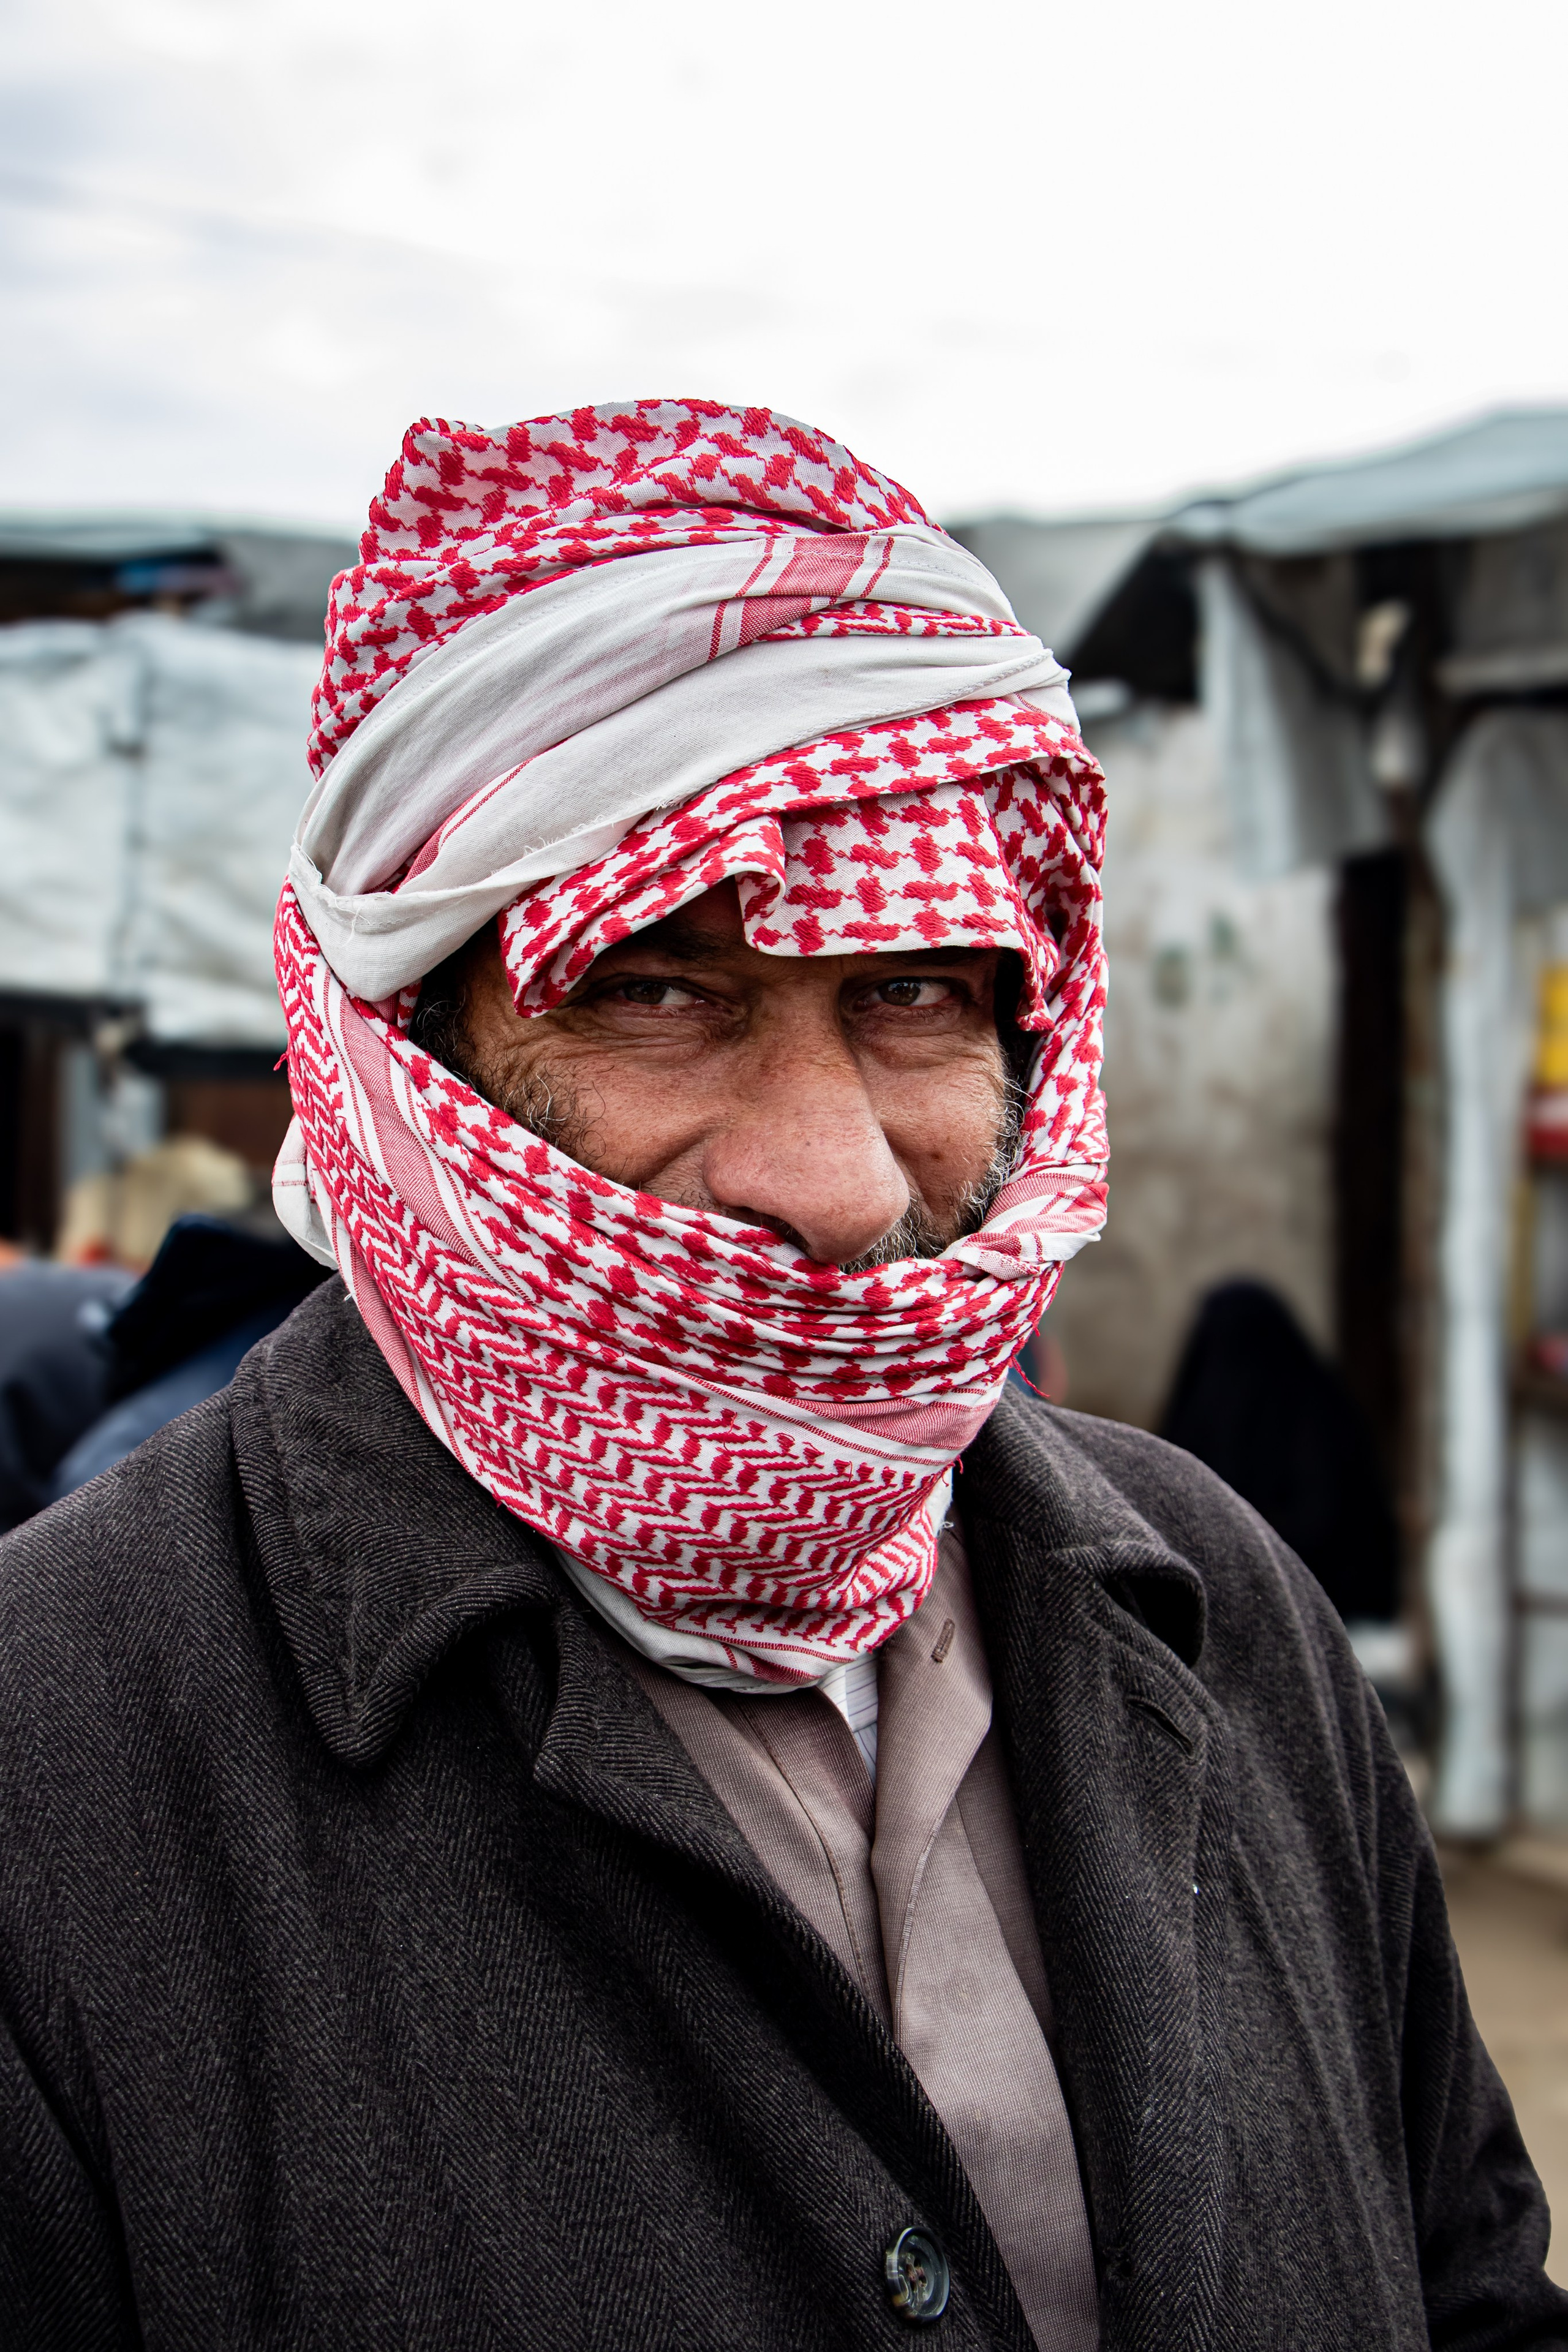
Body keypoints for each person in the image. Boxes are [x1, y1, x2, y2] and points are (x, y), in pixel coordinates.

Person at [0, 403, 1561, 2351]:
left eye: (911, 994)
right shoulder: (53, 1767)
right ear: (403, 1043)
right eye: (664, 992)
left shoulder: (1216, 1602)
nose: (830, 1186)